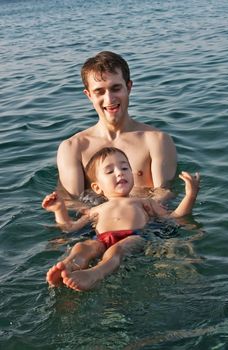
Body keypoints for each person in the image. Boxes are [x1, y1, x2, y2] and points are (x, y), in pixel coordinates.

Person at [43, 147, 200, 292]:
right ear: (97, 188)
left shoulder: (145, 202)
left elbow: (175, 218)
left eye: (125, 168)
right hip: (101, 239)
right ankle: (69, 265)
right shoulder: (96, 210)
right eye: (110, 171)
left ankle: (95, 274)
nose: (119, 173)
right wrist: (59, 210)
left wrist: (190, 196)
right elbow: (70, 228)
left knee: (116, 250)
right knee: (82, 246)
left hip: (135, 236)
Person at [57, 51, 177, 201]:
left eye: (116, 88)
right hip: (96, 223)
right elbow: (72, 204)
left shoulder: (157, 141)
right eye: (99, 91)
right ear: (89, 95)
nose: (109, 99)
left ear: (129, 87)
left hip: (150, 222)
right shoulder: (72, 148)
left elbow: (164, 195)